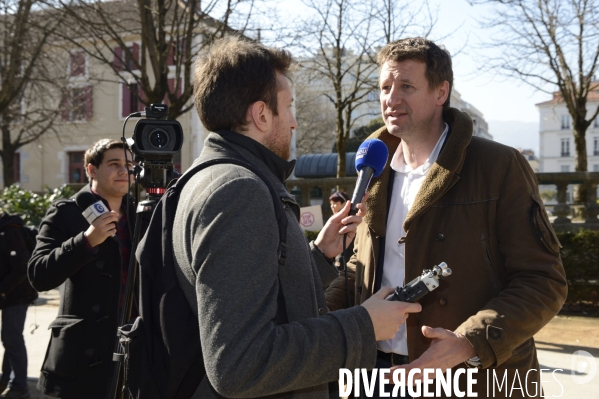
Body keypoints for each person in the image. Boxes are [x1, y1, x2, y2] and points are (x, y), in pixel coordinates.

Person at [171, 37, 421, 399]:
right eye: (288, 108)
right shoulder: (239, 191)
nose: (294, 123)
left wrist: (317, 256)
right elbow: (239, 363)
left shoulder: (205, 176)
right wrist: (364, 324)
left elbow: (248, 295)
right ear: (260, 114)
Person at [325, 37, 568, 398]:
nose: (391, 99)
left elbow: (543, 280)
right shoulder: (372, 171)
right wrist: (321, 320)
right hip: (374, 374)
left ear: (441, 92)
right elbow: (362, 268)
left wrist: (469, 343)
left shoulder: (499, 166)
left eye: (406, 86)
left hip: (475, 378)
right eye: (385, 87)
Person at [28, 139, 135, 398]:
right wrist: (86, 241)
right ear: (91, 170)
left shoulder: (144, 214)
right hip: (80, 358)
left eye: (130, 165)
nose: (124, 171)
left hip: (133, 353)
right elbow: (38, 274)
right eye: (114, 164)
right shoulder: (65, 212)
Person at [0, 213, 38, 399]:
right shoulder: (5, 229)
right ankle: (6, 379)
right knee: (9, 338)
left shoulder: (11, 231)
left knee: (12, 339)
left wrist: (3, 289)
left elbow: (22, 267)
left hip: (17, 295)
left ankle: (20, 386)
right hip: (11, 295)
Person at [329, 192, 353, 270]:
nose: (332, 206)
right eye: (331, 204)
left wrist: (339, 260)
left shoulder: (347, 220)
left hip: (346, 259)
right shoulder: (334, 218)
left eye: (335, 203)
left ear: (344, 204)